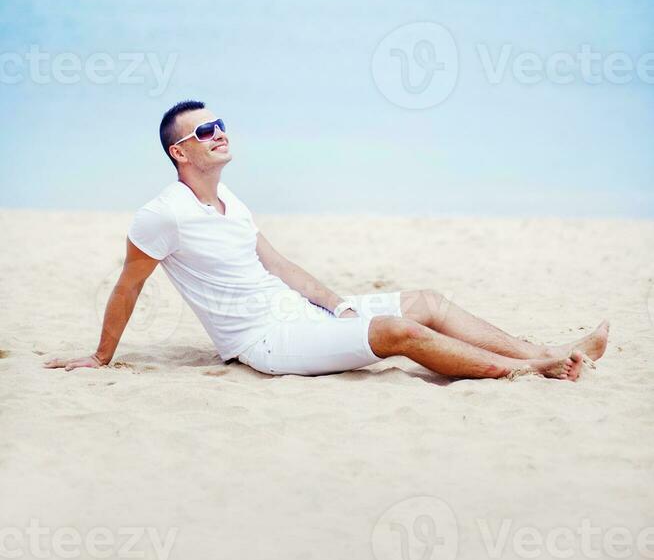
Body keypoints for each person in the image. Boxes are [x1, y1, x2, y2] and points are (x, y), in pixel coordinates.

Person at [46, 100, 609, 381]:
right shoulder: (160, 216)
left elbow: (279, 264)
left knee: (428, 302)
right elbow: (128, 287)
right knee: (398, 332)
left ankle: (544, 352)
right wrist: (100, 357)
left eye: (221, 127)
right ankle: (530, 369)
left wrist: (337, 303)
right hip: (265, 343)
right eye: (204, 132)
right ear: (179, 152)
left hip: (298, 314)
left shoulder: (230, 201)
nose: (219, 135)